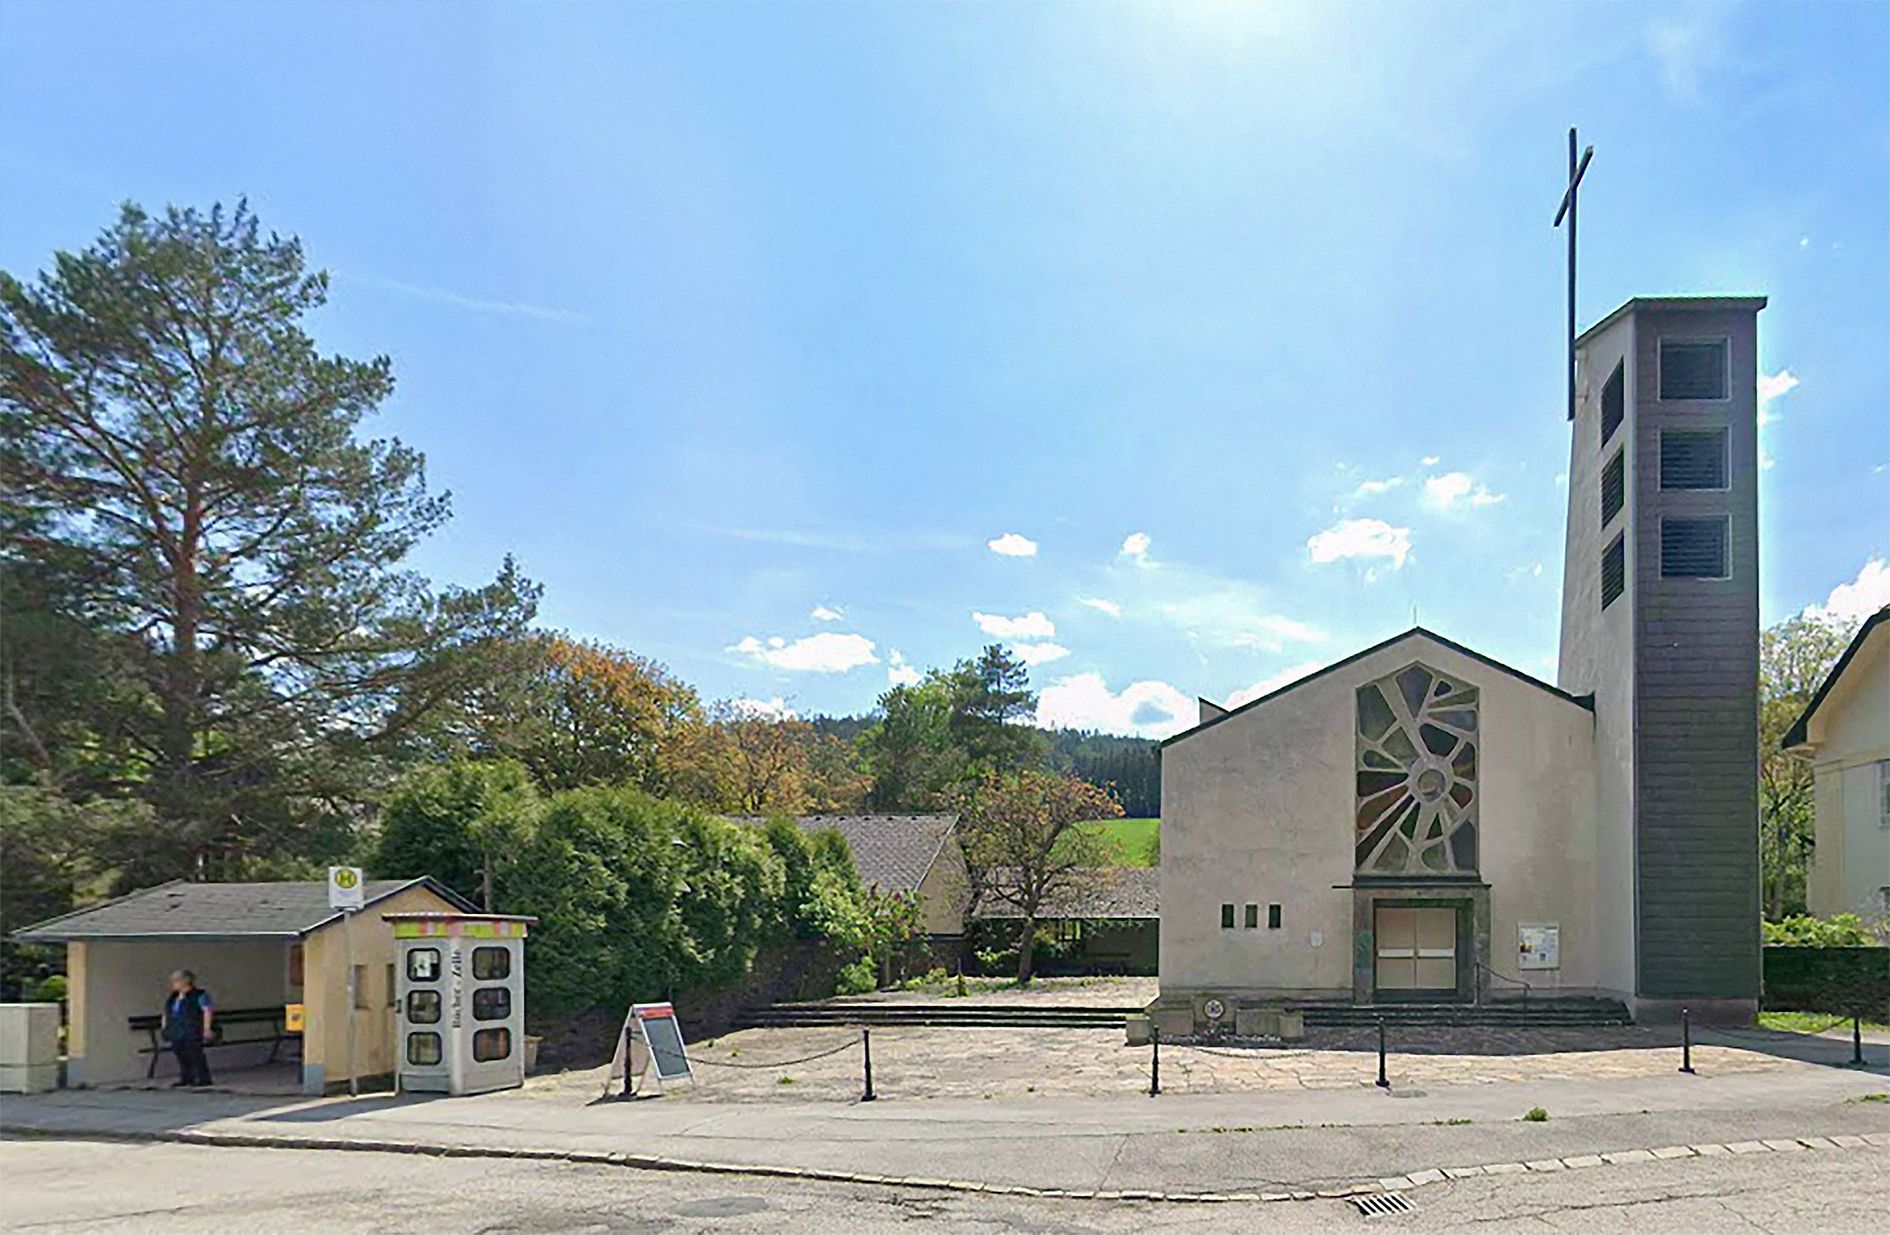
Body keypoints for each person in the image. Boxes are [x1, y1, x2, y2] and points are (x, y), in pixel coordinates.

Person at [162, 969, 215, 1088]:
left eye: (176, 981)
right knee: (180, 1052)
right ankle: (186, 1077)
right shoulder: (173, 996)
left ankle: (202, 1077)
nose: (173, 984)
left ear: (186, 981)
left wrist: (207, 1028)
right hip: (176, 1028)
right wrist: (165, 1026)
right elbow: (167, 1012)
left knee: (194, 1052)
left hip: (192, 1027)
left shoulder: (199, 994)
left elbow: (207, 1010)